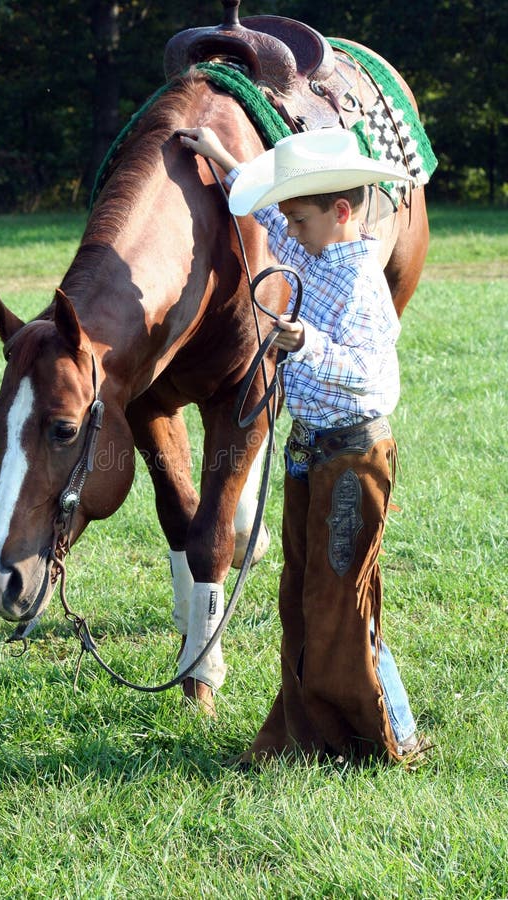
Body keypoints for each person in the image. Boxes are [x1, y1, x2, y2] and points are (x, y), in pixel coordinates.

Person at [177, 125, 427, 765]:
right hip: (310, 450)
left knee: (339, 596)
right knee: (304, 590)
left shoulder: (363, 282)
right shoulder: (314, 248)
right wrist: (222, 157)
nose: (289, 228)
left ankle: (387, 734)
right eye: (290, 216)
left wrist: (306, 344)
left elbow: (373, 375)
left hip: (351, 456)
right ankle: (310, 731)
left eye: (301, 217)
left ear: (341, 212)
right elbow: (265, 209)